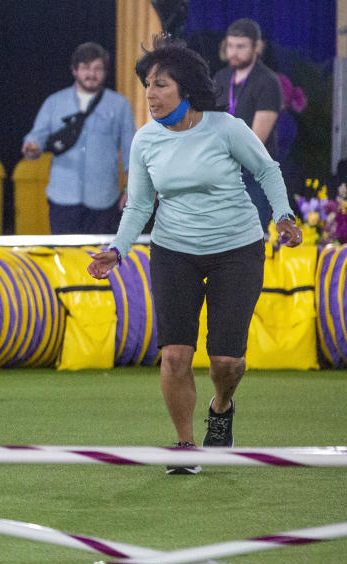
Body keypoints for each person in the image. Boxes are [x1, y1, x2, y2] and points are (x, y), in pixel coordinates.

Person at [87, 35, 302, 474]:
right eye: (147, 85)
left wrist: (282, 216)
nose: (150, 94)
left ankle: (221, 408)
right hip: (173, 250)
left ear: (186, 89)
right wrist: (117, 250)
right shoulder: (146, 141)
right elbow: (141, 204)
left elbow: (266, 170)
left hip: (236, 249)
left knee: (227, 361)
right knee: (175, 355)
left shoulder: (225, 128)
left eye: (161, 85)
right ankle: (186, 447)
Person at [21, 42, 135, 234]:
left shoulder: (119, 105)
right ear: (74, 71)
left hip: (104, 199)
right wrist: (31, 148)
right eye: (85, 68)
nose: (92, 74)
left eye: (98, 68)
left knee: (99, 260)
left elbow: (132, 152)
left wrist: (131, 192)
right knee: (64, 259)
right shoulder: (55, 102)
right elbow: (36, 137)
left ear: (105, 72)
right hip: (62, 197)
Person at [212, 18, 283, 232]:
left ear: (256, 47)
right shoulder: (221, 77)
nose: (234, 52)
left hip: (254, 175)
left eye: (241, 47)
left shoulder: (268, 81)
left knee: (253, 237)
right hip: (223, 172)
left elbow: (256, 139)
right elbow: (211, 121)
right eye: (231, 45)